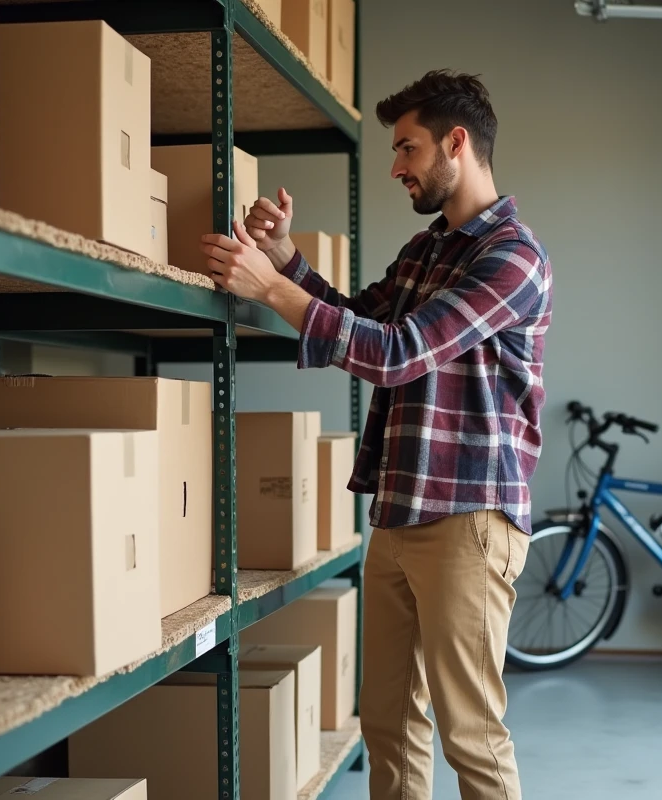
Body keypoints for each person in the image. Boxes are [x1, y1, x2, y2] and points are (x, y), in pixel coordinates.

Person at [201, 68, 552, 800]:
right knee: (389, 724)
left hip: (468, 519)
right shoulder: (428, 250)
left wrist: (271, 290)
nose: (396, 167)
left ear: (458, 143)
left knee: (471, 735)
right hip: (398, 509)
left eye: (408, 149)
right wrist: (286, 261)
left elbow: (396, 355)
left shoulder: (513, 257)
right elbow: (362, 321)